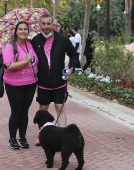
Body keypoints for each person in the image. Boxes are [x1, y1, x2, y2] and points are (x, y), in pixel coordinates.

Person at [31, 14, 78, 145]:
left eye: (48, 24)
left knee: (60, 108)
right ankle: (42, 136)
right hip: (43, 83)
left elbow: (74, 55)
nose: (46, 26)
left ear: (53, 24)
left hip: (59, 82)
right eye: (43, 24)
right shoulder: (35, 41)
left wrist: (71, 69)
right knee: (43, 110)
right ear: (40, 25)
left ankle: (63, 136)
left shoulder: (62, 39)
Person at [2, 21, 38, 149]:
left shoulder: (30, 44)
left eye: (25, 29)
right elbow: (9, 65)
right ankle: (12, 139)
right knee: (16, 111)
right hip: (14, 84)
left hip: (31, 83)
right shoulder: (10, 47)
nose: (23, 31)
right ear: (16, 31)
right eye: (20, 29)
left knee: (25, 112)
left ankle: (22, 138)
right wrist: (25, 61)